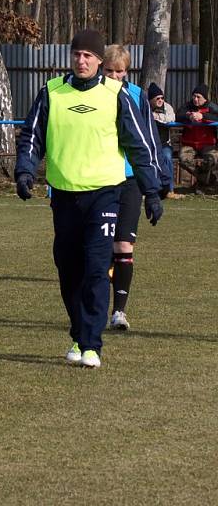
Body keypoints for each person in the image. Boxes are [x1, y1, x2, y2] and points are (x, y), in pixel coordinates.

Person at [15, 29, 163, 369]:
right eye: (77, 54)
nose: (82, 61)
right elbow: (31, 137)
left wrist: (152, 191)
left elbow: (139, 146)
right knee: (69, 270)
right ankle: (79, 332)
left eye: (88, 56)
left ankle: (92, 345)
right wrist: (24, 171)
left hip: (105, 195)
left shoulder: (117, 95)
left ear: (99, 60)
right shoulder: (52, 92)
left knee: (97, 269)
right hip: (64, 196)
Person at [101, 45, 169, 332]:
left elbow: (150, 140)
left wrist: (157, 183)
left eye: (120, 71)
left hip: (129, 180)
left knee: (124, 245)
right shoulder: (95, 95)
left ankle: (119, 311)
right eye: (109, 71)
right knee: (99, 248)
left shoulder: (138, 96)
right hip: (100, 178)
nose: (115, 76)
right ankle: (92, 307)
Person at [175, 84, 218, 188]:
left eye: (198, 97)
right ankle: (207, 180)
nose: (195, 99)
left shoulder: (211, 107)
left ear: (205, 98)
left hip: (208, 144)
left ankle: (201, 183)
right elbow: (178, 115)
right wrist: (188, 116)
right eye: (194, 96)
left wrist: (203, 116)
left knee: (213, 159)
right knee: (183, 159)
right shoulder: (187, 106)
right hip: (189, 144)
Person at [148, 82, 179, 198]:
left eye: (162, 98)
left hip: (164, 143)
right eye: (157, 98)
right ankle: (148, 189)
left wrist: (156, 117)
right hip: (149, 144)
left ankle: (169, 190)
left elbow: (171, 118)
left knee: (166, 156)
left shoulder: (167, 107)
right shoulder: (145, 107)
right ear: (151, 100)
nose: (160, 100)